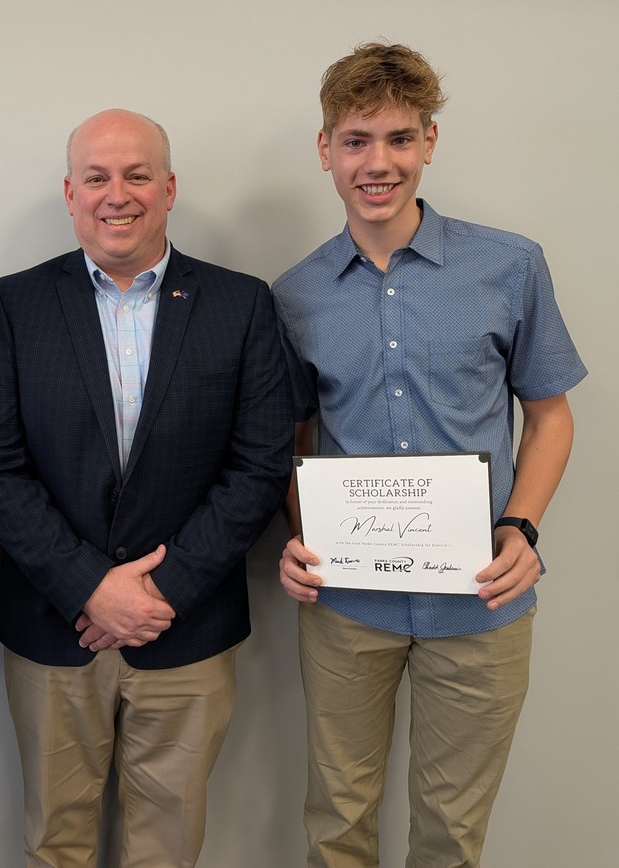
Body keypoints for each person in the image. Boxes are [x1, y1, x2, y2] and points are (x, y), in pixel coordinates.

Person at [272, 43, 587, 867]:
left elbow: (550, 416)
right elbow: (297, 439)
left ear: (431, 142)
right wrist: (300, 539)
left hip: (482, 601)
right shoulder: (295, 294)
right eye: (357, 141)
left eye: (400, 139)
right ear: (326, 150)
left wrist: (523, 527)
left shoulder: (509, 266)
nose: (379, 164)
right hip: (347, 607)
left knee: (452, 834)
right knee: (336, 823)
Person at [0, 108, 295, 867]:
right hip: (54, 629)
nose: (119, 194)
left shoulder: (241, 305)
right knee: (56, 842)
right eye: (98, 177)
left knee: (168, 847)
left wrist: (162, 590)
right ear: (70, 193)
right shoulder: (17, 304)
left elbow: (260, 464)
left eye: (138, 175)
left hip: (185, 627)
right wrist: (89, 587)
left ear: (169, 187)